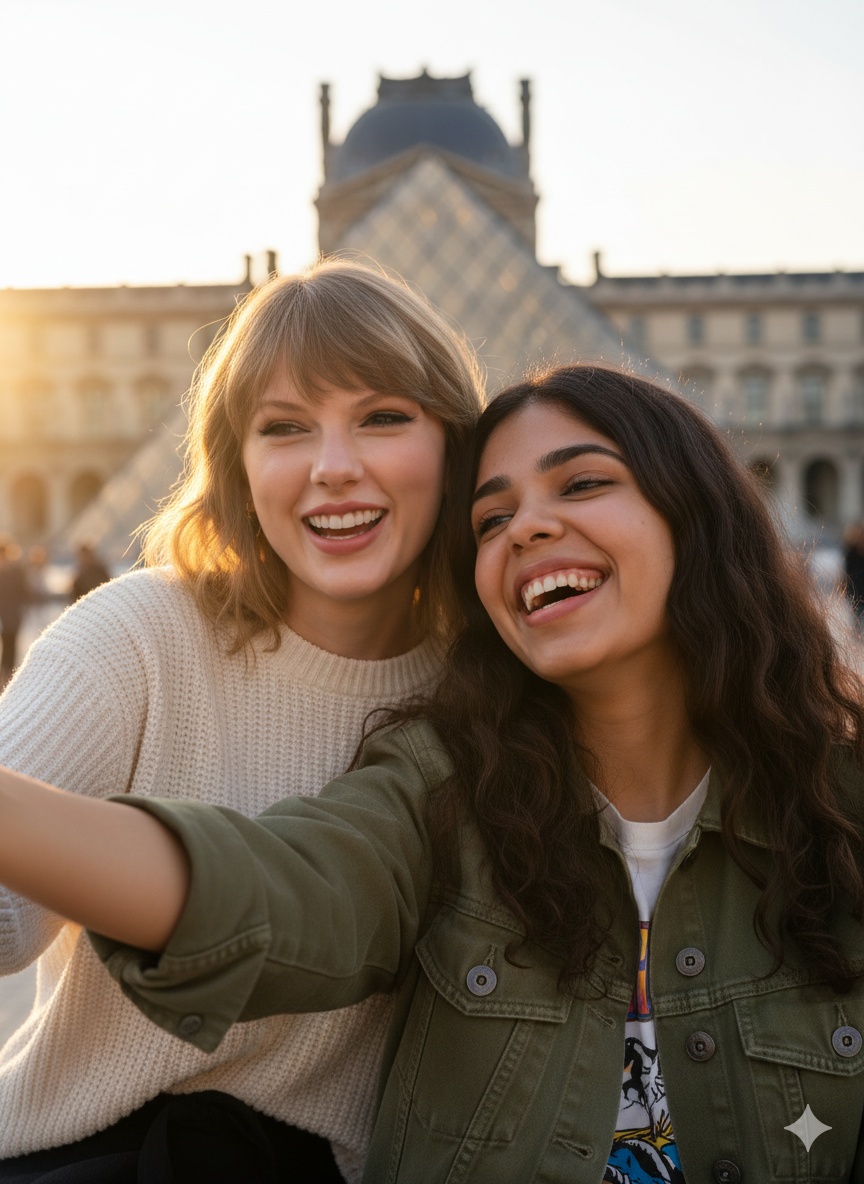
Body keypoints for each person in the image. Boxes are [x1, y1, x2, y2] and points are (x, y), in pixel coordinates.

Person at [0, 364, 863, 1182]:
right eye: (490, 521)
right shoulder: (446, 791)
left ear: (697, 514)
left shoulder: (845, 805)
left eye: (583, 483)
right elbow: (277, 892)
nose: (526, 526)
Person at [0, 259, 483, 1182]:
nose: (333, 468)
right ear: (239, 466)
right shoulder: (137, 635)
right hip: (86, 1155)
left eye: (383, 416)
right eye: (284, 428)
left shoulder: (491, 701)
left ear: (457, 449)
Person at [0, 541, 30, 685]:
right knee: (8, 647)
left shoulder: (14, 572)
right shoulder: (15, 571)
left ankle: (7, 678)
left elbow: (24, 592)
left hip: (11, 616)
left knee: (10, 647)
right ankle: (6, 677)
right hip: (10, 616)